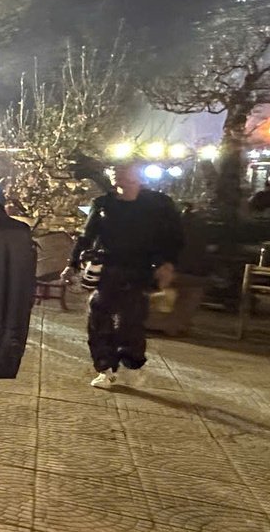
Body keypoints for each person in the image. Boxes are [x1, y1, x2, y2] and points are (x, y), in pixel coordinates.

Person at [68, 163, 184, 389]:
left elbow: (174, 237)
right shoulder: (103, 204)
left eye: (126, 172)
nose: (120, 176)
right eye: (116, 172)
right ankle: (105, 368)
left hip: (141, 269)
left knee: (130, 321)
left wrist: (167, 263)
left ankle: (132, 365)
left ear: (139, 177)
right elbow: (87, 235)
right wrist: (71, 264)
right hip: (108, 268)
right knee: (98, 317)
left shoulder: (159, 205)